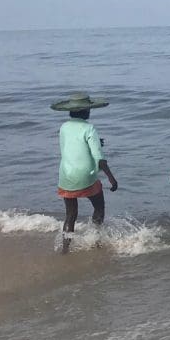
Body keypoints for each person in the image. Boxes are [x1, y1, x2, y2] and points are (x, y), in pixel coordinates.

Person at [51, 92, 119, 253]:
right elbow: (99, 159)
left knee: (71, 214)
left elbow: (73, 146)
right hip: (86, 176)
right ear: (85, 111)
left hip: (66, 176)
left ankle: (65, 250)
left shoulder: (64, 127)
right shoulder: (90, 128)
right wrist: (111, 178)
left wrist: (96, 142)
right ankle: (96, 240)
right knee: (99, 207)